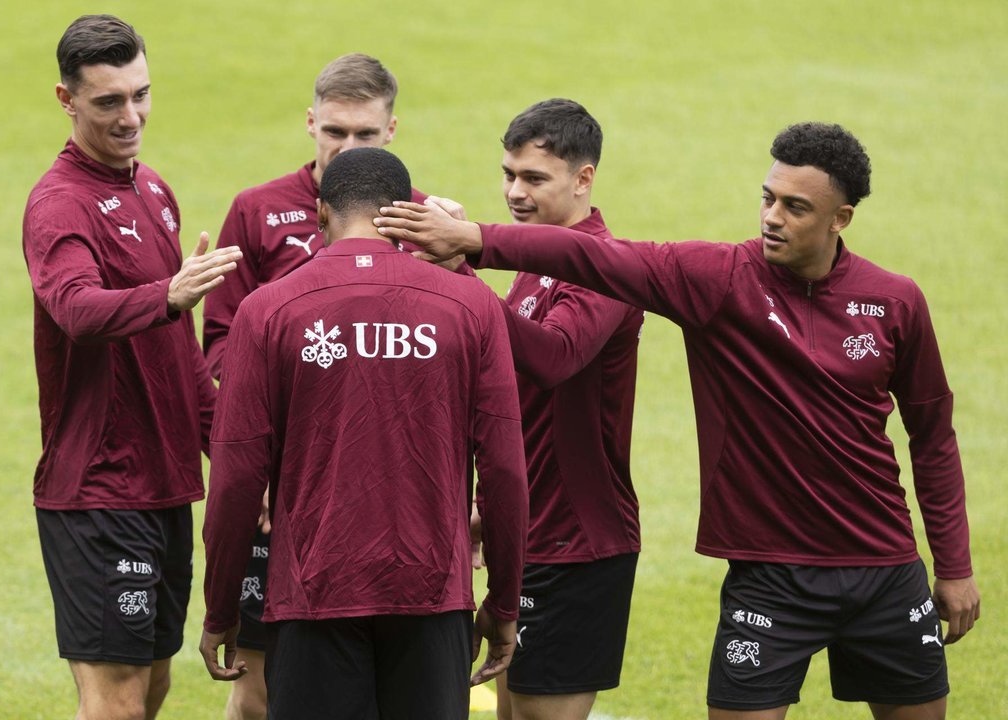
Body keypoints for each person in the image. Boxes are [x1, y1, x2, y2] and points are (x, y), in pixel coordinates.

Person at [375, 122, 981, 720]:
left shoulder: (896, 302)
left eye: (796, 208)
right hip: (770, 575)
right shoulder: (719, 280)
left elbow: (932, 438)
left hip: (884, 567)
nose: (772, 217)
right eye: (767, 198)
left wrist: (953, 567)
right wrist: (476, 239)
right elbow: (595, 255)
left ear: (840, 218)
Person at [199, 147, 529, 720]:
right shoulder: (473, 305)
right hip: (432, 596)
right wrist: (502, 601)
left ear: (321, 215)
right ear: (403, 214)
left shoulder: (266, 311)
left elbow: (235, 479)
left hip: (309, 597)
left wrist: (220, 608)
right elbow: (503, 468)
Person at [21, 14, 242, 720]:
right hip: (98, 490)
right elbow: (77, 310)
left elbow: (177, 361)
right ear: (67, 99)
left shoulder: (154, 193)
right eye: (108, 102)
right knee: (115, 704)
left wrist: (237, 459)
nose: (131, 116)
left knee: (150, 688)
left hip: (165, 487)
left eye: (140, 94)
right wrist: (170, 293)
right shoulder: (60, 205)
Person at [439, 99, 643, 720]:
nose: (514, 193)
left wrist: (463, 274)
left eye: (533, 179)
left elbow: (554, 357)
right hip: (530, 535)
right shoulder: (534, 263)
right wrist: (488, 509)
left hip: (580, 544)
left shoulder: (606, 266)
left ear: (584, 179)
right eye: (508, 175)